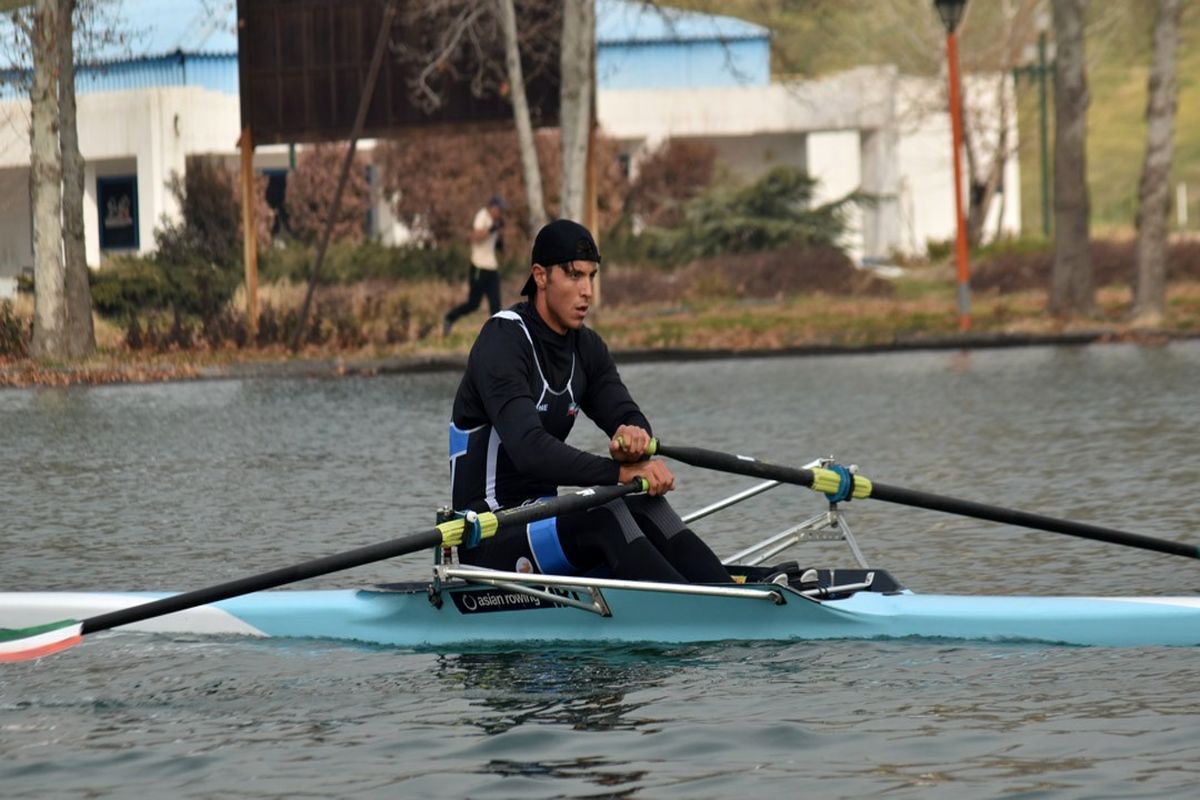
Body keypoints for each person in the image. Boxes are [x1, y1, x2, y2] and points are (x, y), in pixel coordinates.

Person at [447, 218, 731, 584]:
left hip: (543, 522)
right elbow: (530, 451)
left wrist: (635, 438)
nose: (587, 292)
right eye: (574, 275)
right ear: (541, 276)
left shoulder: (587, 347)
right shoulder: (502, 341)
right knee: (607, 511)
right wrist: (618, 472)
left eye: (591, 276)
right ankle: (693, 611)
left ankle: (726, 596)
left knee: (646, 505)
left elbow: (624, 412)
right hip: (489, 534)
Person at [443, 195, 506, 336]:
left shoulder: (495, 221)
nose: (501, 213)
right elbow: (476, 237)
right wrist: (492, 229)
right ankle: (450, 317)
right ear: (492, 207)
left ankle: (498, 336)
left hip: (492, 267)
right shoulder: (482, 216)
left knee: (496, 305)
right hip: (478, 267)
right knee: (473, 304)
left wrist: (500, 240)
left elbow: (496, 244)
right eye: (499, 209)